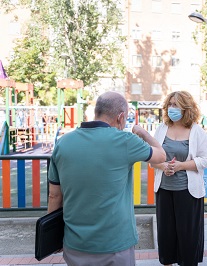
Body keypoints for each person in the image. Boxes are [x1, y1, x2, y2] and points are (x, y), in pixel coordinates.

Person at [47, 91, 166, 266]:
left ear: (97, 112)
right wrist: (143, 133)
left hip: (75, 243)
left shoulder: (63, 143)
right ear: (121, 117)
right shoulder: (126, 140)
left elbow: (54, 196)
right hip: (115, 243)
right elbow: (161, 156)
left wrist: (52, 235)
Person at [151, 91, 207, 266]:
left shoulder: (196, 131)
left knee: (188, 234)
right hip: (164, 189)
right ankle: (168, 261)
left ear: (186, 108)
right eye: (170, 104)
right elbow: (153, 157)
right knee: (166, 233)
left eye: (176, 105)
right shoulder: (162, 128)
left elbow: (206, 159)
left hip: (188, 192)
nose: (172, 108)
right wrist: (163, 166)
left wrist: (181, 166)